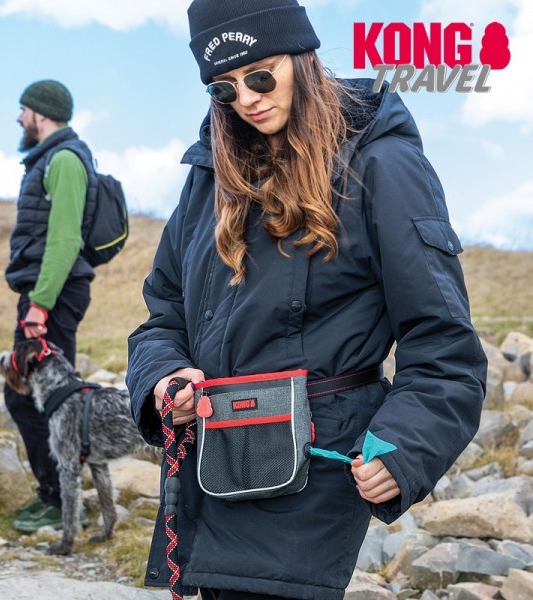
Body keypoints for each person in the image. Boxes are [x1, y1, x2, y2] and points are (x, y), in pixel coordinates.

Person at [126, 1, 488, 598]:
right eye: (224, 88)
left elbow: (444, 345)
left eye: (260, 76)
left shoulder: (383, 164)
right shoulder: (209, 175)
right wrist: (163, 377)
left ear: (301, 58)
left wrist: (402, 449)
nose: (247, 99)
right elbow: (161, 314)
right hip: (213, 461)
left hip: (316, 466)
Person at [5, 79, 97, 532]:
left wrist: (39, 305)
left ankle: (61, 500)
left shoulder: (63, 159)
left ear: (41, 113)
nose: (19, 117)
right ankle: (59, 495)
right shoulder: (51, 158)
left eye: (23, 110)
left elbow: (63, 240)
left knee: (38, 399)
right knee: (38, 398)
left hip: (51, 296)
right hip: (47, 292)